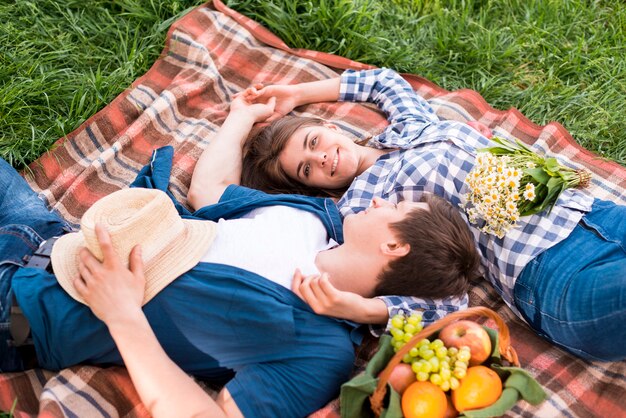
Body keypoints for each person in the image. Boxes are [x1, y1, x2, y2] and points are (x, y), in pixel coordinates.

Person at [0, 92, 480, 418]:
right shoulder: (315, 216)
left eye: (393, 206)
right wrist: (242, 116)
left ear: (395, 246)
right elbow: (209, 192)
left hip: (20, 313)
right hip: (48, 233)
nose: (377, 199)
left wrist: (124, 316)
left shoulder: (318, 351)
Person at [241, 68, 626, 362]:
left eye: (313, 142)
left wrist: (296, 92)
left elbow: (383, 82)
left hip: (592, 214)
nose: (320, 157)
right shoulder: (362, 211)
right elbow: (439, 301)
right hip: (551, 272)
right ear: (310, 186)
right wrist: (363, 310)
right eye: (306, 169)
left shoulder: (413, 126)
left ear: (327, 126)